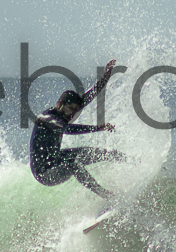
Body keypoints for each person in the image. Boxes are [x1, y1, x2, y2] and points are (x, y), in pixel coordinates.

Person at [30, 59, 126, 199]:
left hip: (57, 158)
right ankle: (106, 195)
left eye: (75, 111)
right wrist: (97, 128)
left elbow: (89, 96)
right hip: (44, 173)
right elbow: (67, 129)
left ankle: (134, 161)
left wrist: (105, 78)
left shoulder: (65, 113)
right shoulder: (45, 119)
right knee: (73, 165)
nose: (72, 114)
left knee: (94, 152)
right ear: (60, 104)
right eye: (70, 110)